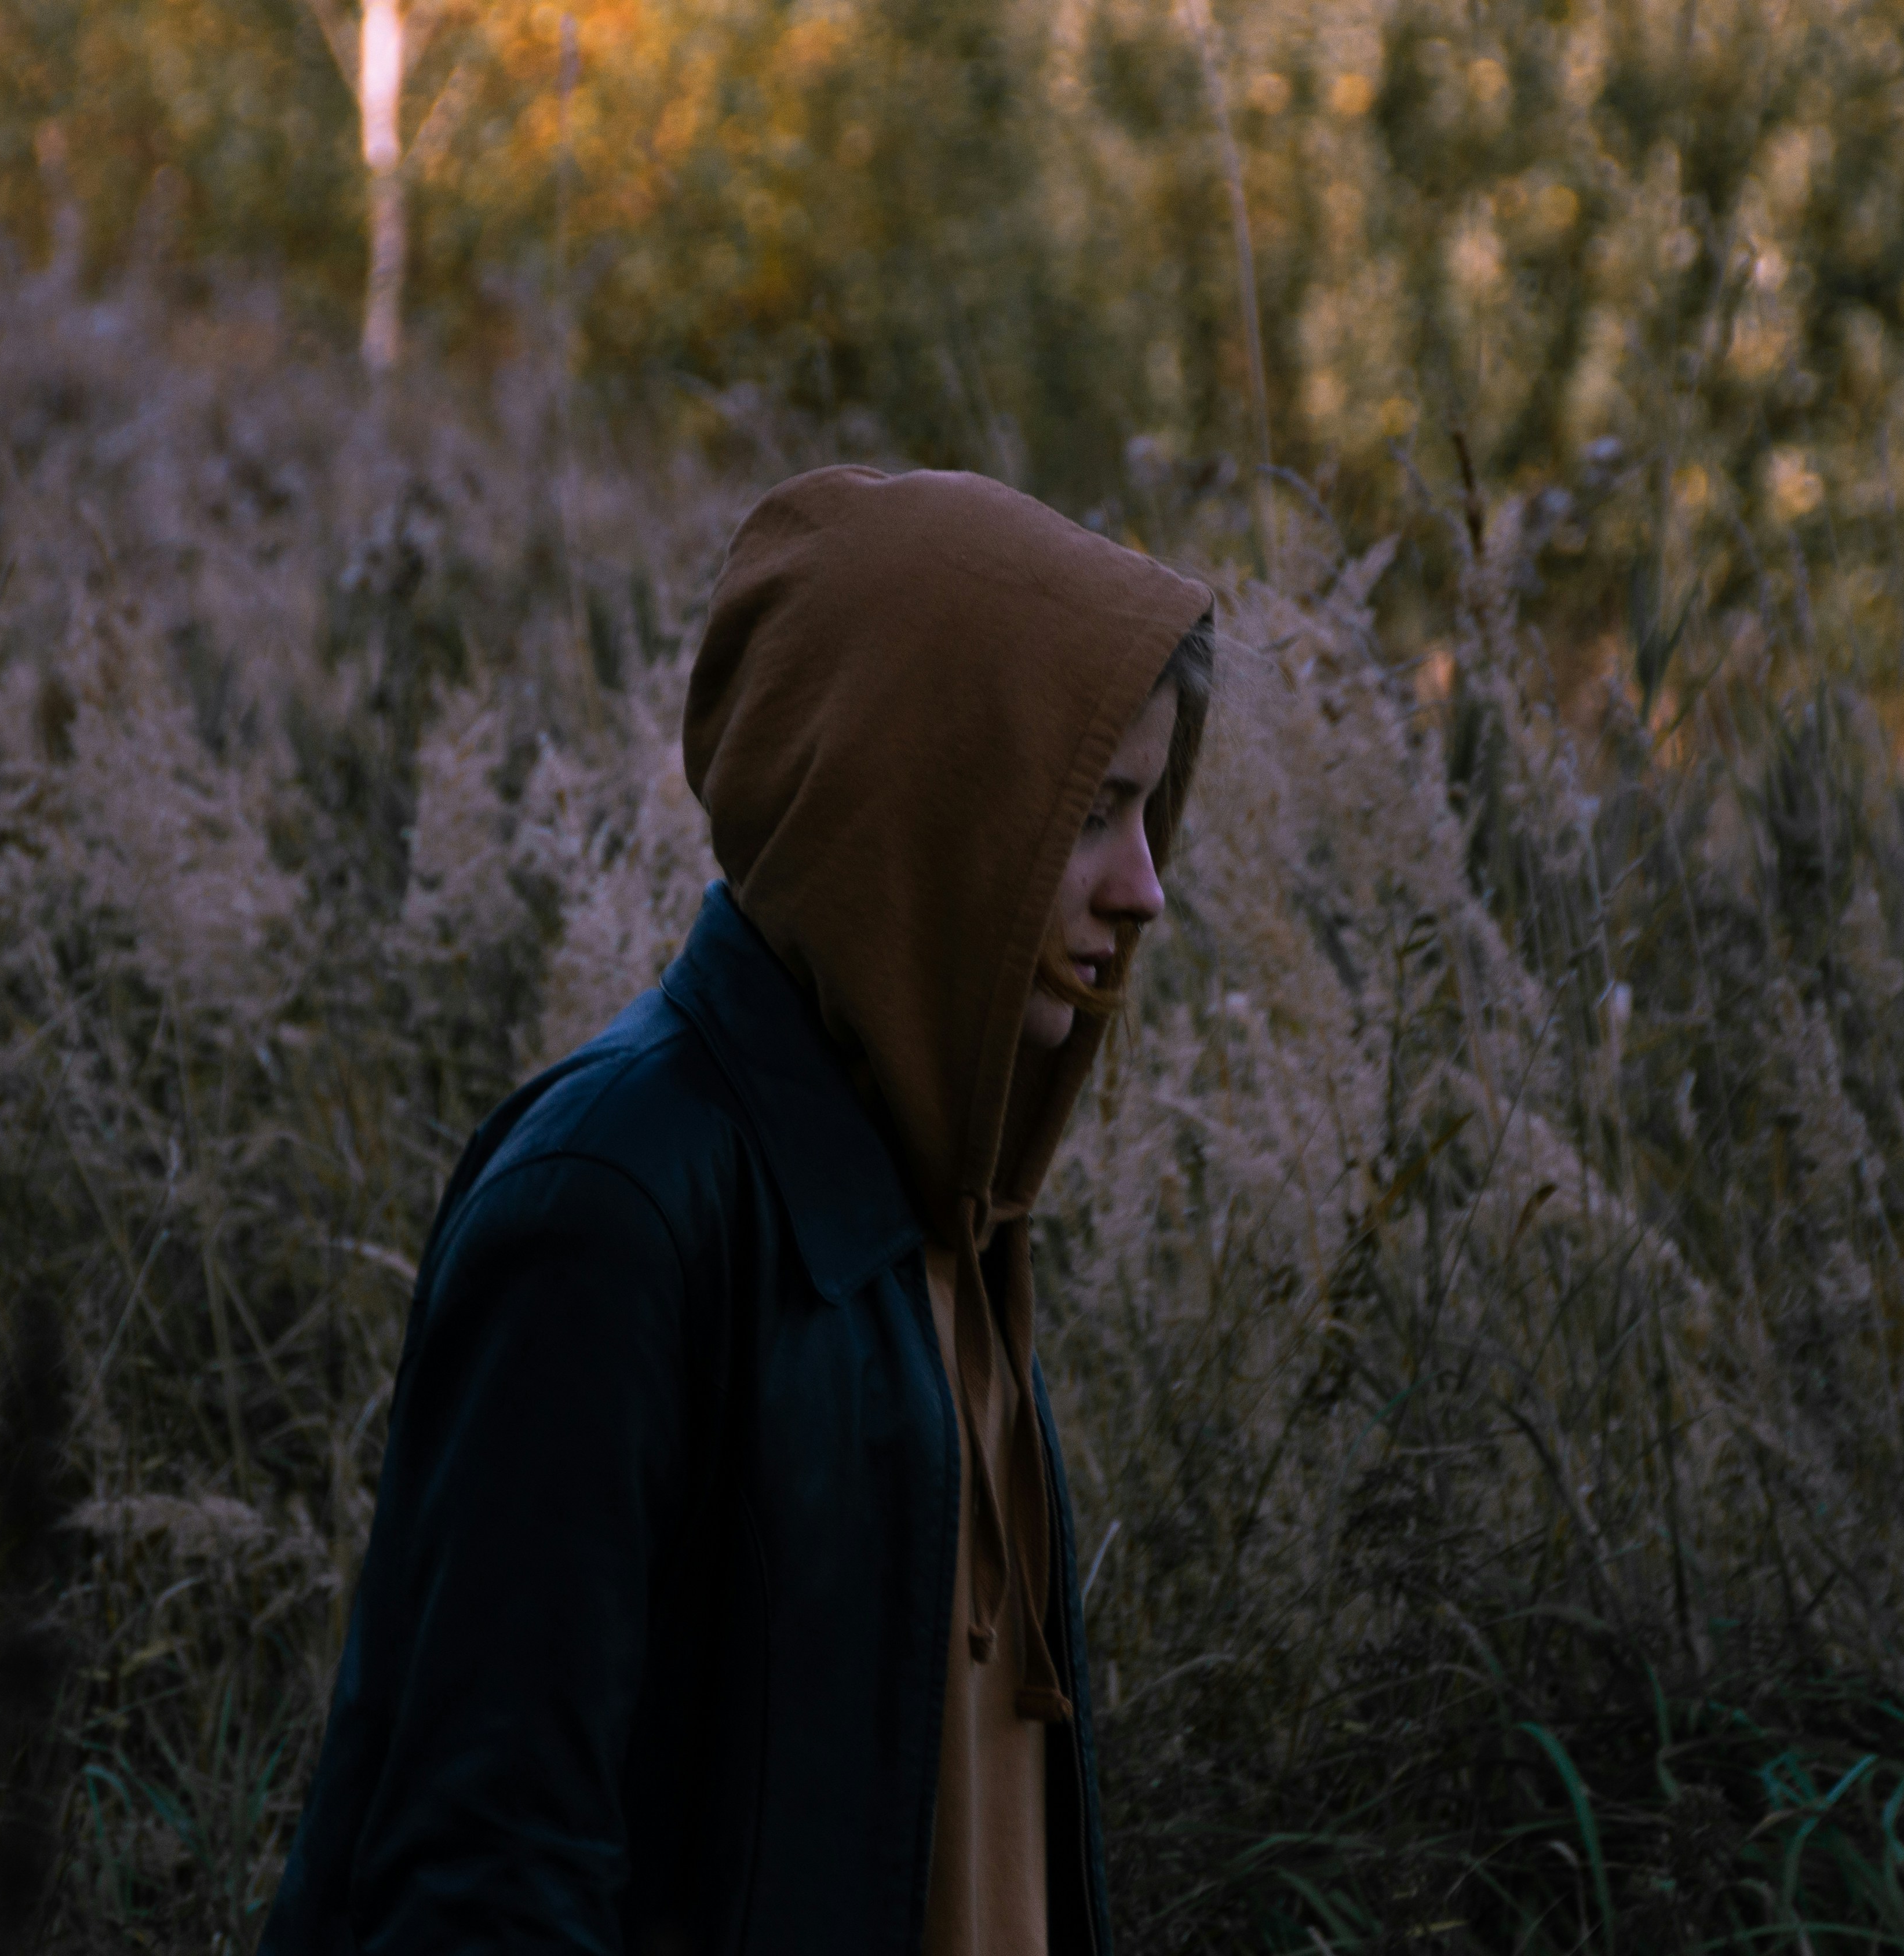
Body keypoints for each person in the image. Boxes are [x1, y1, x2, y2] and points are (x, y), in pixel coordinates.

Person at [256, 465, 1214, 1956]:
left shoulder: (942, 1224)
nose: (1145, 887)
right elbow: (486, 1870)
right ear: (917, 810)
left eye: (1149, 810)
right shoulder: (611, 1206)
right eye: (1092, 812)